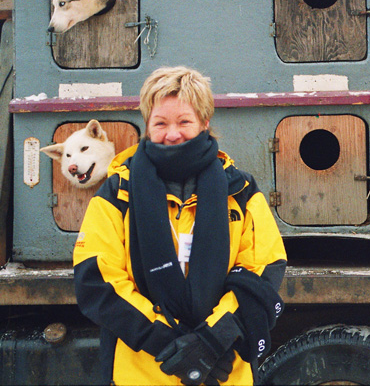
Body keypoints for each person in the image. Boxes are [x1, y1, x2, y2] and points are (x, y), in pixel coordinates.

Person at [73, 66, 287, 385]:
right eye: (160, 123)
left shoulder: (240, 191)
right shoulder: (117, 192)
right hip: (142, 373)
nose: (172, 133)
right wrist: (171, 347)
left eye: (184, 121)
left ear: (204, 123)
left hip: (224, 371)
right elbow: (98, 280)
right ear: (147, 126)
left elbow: (263, 270)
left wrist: (212, 341)